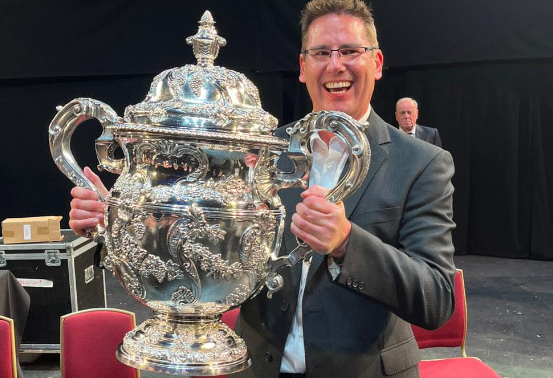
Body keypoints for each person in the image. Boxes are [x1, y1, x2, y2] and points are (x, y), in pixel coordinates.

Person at [68, 1, 456, 377]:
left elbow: (437, 299)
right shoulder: (261, 147)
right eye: (321, 52)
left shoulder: (422, 163)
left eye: (350, 51)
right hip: (255, 367)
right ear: (303, 67)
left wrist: (346, 244)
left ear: (377, 62)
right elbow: (200, 235)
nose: (336, 65)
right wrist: (119, 219)